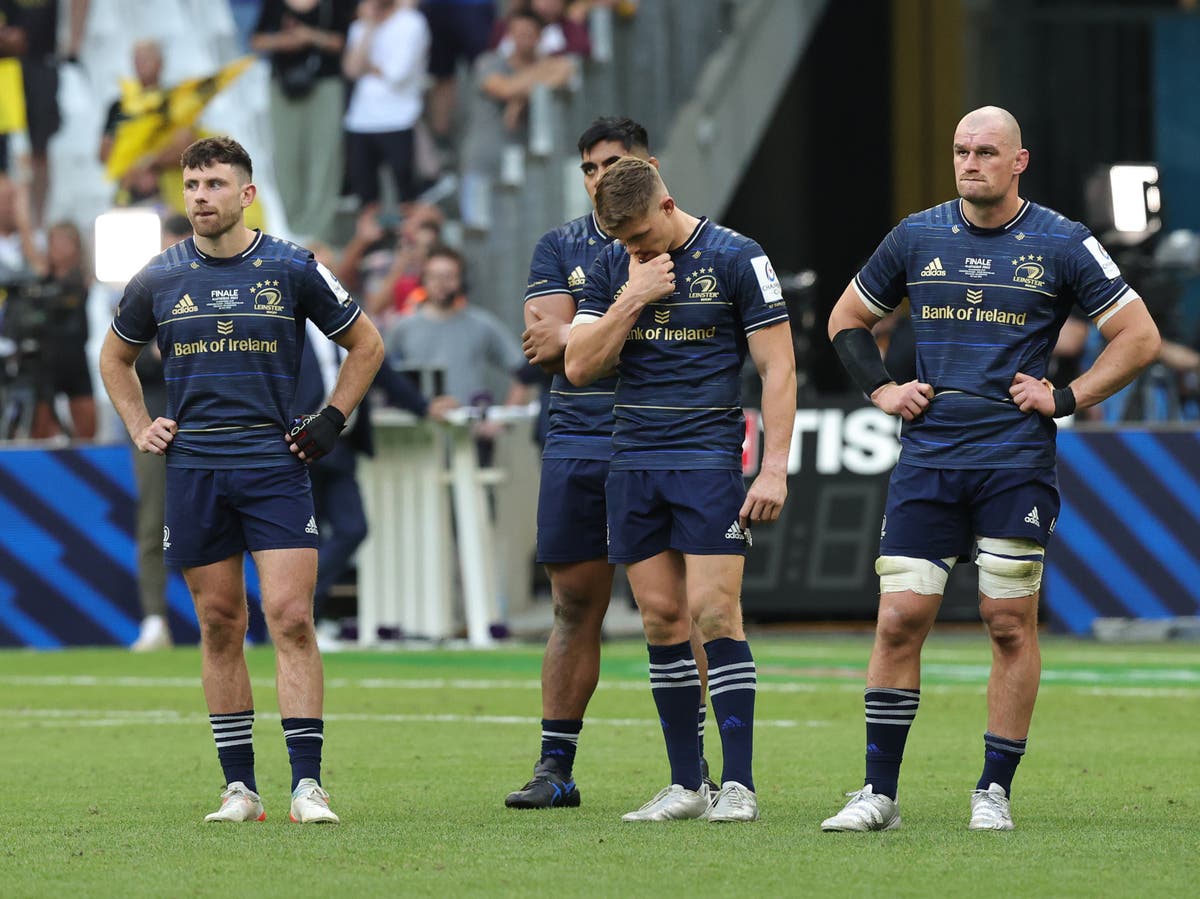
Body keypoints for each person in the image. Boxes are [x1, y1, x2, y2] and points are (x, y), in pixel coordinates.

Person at [819, 106, 1160, 833]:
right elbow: (845, 318)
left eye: (984, 151)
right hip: (929, 459)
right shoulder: (916, 235)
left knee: (1007, 623)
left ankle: (992, 791)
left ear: (1018, 162)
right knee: (900, 615)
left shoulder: (1065, 242)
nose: (970, 162)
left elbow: (1140, 336)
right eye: (960, 151)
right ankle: (878, 792)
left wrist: (1064, 396)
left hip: (1014, 464)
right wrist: (882, 386)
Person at [99, 136, 385, 824]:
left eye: (214, 184)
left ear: (245, 194)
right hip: (195, 469)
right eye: (191, 185)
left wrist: (333, 418)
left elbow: (367, 343)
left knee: (290, 617)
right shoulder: (157, 277)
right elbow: (114, 358)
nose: (199, 197)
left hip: (273, 465)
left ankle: (308, 786)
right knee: (220, 623)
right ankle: (239, 789)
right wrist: (142, 423)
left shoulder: (292, 266)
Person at [564, 157, 796, 822]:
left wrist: (773, 466)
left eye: (640, 237)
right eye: (623, 243)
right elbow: (578, 364)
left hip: (706, 459)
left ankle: (740, 785)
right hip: (632, 458)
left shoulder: (737, 257)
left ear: (667, 206)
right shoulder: (615, 267)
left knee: (715, 612)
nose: (634, 250)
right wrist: (633, 294)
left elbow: (778, 367)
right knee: (661, 618)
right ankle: (687, 783)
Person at [505, 117, 715, 810]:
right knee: (573, 605)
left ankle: (698, 769)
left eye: (614, 164)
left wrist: (588, 331)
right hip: (579, 439)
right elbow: (550, 350)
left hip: (664, 441)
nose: (600, 178)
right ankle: (554, 766)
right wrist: (619, 316)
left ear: (648, 169)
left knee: (681, 608)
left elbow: (660, 346)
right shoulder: (560, 244)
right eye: (590, 167)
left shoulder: (688, 246)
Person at [128, 213, 194, 652]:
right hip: (154, 418)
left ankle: (229, 619)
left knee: (221, 519)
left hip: (205, 416)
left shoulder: (226, 287)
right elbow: (122, 356)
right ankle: (154, 620)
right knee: (154, 522)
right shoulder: (146, 289)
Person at [251, 0, 354, 242]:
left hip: (325, 83)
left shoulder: (333, 5)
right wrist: (285, 41)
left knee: (324, 155)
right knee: (286, 155)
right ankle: (292, 227)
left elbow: (341, 41)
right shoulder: (274, 4)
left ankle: (319, 228)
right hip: (283, 85)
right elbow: (256, 40)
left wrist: (310, 36)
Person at [342, 0, 430, 213]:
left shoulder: (411, 23)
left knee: (405, 192)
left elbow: (398, 74)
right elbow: (351, 69)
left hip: (399, 118)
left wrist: (368, 67)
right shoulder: (361, 25)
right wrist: (369, 26)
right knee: (366, 194)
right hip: (360, 120)